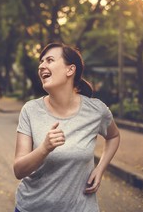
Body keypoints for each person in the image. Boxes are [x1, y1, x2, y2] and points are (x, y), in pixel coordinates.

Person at [13, 43, 120, 212]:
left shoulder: (96, 110)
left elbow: (113, 137)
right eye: (41, 62)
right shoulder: (30, 110)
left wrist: (100, 169)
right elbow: (18, 170)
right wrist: (44, 148)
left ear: (70, 70)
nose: (41, 66)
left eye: (49, 60)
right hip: (33, 207)